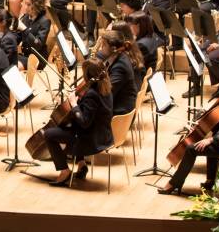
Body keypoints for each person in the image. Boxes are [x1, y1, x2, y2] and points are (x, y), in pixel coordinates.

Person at [159, 65, 219, 195]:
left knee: (191, 149)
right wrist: (207, 130)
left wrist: (211, 139)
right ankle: (210, 181)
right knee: (208, 141)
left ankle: (174, 183)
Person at [42, 57, 114, 186]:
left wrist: (74, 104)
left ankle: (64, 171)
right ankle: (81, 166)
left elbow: (84, 122)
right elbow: (90, 112)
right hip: (103, 134)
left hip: (91, 139)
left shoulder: (92, 94)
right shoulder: (106, 88)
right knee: (71, 125)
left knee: (49, 134)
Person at [99, 30, 138, 115]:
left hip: (119, 112)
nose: (101, 48)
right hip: (118, 104)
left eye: (104, 45)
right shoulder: (118, 56)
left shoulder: (120, 67)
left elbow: (107, 93)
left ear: (113, 49)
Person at [16, 0, 51, 70]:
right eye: (25, 4)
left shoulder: (45, 22)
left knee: (15, 67)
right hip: (25, 55)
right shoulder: (25, 18)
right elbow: (17, 38)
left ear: (37, 6)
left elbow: (38, 45)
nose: (25, 7)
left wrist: (24, 29)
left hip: (37, 58)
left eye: (28, 4)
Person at [125, 11, 159, 81]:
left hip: (142, 79)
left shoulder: (141, 45)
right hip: (149, 74)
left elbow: (133, 64)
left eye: (131, 25)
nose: (130, 27)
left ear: (138, 26)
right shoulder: (152, 36)